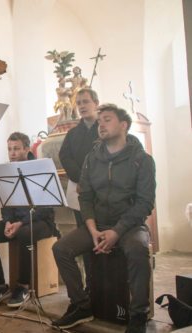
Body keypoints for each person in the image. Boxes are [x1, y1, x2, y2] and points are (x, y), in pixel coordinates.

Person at [52, 104, 156, 333]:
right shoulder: (92, 158)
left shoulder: (142, 160)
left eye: (107, 120)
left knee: (138, 250)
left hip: (129, 225)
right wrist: (92, 230)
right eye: (99, 121)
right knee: (61, 249)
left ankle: (138, 314)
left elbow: (144, 203)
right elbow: (86, 197)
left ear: (123, 125)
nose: (101, 124)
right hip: (96, 225)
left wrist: (117, 231)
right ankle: (81, 306)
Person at [0, 132, 57, 308]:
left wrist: (20, 223)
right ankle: (0, 285)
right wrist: (7, 222)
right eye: (9, 149)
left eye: (16, 149)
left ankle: (22, 286)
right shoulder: (7, 171)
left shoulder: (39, 168)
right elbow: (6, 203)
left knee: (23, 234)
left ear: (27, 149)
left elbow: (45, 209)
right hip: (16, 221)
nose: (12, 153)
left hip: (42, 222)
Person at [58, 87, 100, 293]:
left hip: (101, 193)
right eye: (79, 103)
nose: (82, 106)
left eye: (86, 101)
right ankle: (90, 284)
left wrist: (90, 180)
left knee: (100, 236)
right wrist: (79, 178)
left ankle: (101, 285)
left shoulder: (104, 127)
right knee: (84, 238)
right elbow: (64, 156)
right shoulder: (73, 132)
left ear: (96, 104)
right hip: (79, 190)